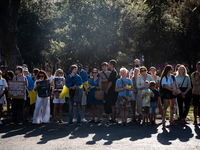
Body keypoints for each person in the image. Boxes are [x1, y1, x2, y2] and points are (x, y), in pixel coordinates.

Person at [106, 59, 118, 125]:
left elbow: (110, 82)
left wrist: (107, 89)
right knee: (112, 105)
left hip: (112, 91)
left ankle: (113, 119)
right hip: (113, 91)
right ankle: (113, 118)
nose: (108, 64)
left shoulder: (113, 72)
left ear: (111, 64)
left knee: (112, 105)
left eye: (109, 63)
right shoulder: (114, 72)